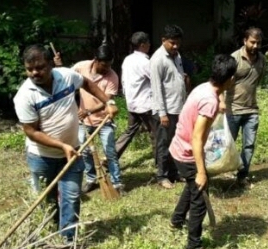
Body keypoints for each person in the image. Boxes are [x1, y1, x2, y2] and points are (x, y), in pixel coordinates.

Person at [13, 44, 118, 243]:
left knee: (71, 197)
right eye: (30, 69)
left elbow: (87, 83)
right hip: (42, 157)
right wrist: (61, 146)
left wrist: (108, 102)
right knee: (49, 201)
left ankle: (69, 242)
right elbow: (31, 131)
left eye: (41, 67)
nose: (35, 72)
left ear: (51, 64)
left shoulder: (65, 76)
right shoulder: (25, 96)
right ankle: (51, 236)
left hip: (73, 152)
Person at [169, 54, 237, 249]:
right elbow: (197, 138)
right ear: (229, 79)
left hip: (178, 146)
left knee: (192, 187)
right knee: (200, 195)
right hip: (187, 152)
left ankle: (176, 220)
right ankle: (194, 245)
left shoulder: (203, 88)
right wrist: (201, 171)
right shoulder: (209, 101)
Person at [71, 44, 124, 194]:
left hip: (104, 122)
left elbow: (107, 101)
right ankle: (91, 179)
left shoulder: (112, 76)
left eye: (109, 64)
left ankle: (117, 182)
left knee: (110, 152)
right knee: (85, 151)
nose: (107, 68)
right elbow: (66, 79)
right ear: (95, 60)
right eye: (104, 64)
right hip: (84, 121)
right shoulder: (81, 67)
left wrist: (89, 111)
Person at [222, 27, 265, 187]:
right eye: (252, 42)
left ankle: (242, 176)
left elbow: (258, 80)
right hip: (232, 110)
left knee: (249, 145)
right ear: (245, 41)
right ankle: (223, 171)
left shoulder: (261, 59)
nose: (255, 46)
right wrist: (221, 102)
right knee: (228, 143)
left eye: (258, 43)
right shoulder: (234, 58)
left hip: (252, 110)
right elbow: (221, 82)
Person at [150, 24, 187, 189]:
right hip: (166, 111)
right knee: (163, 145)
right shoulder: (158, 59)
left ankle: (174, 173)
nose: (175, 46)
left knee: (176, 143)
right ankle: (162, 176)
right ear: (163, 40)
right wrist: (162, 113)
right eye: (172, 43)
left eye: (178, 43)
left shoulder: (177, 55)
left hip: (178, 108)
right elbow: (156, 89)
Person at [115, 31, 157, 159]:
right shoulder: (145, 62)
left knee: (130, 131)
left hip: (132, 103)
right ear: (143, 45)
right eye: (148, 43)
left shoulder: (128, 60)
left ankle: (111, 156)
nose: (150, 45)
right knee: (156, 134)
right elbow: (155, 79)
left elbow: (124, 81)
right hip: (146, 104)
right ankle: (160, 163)